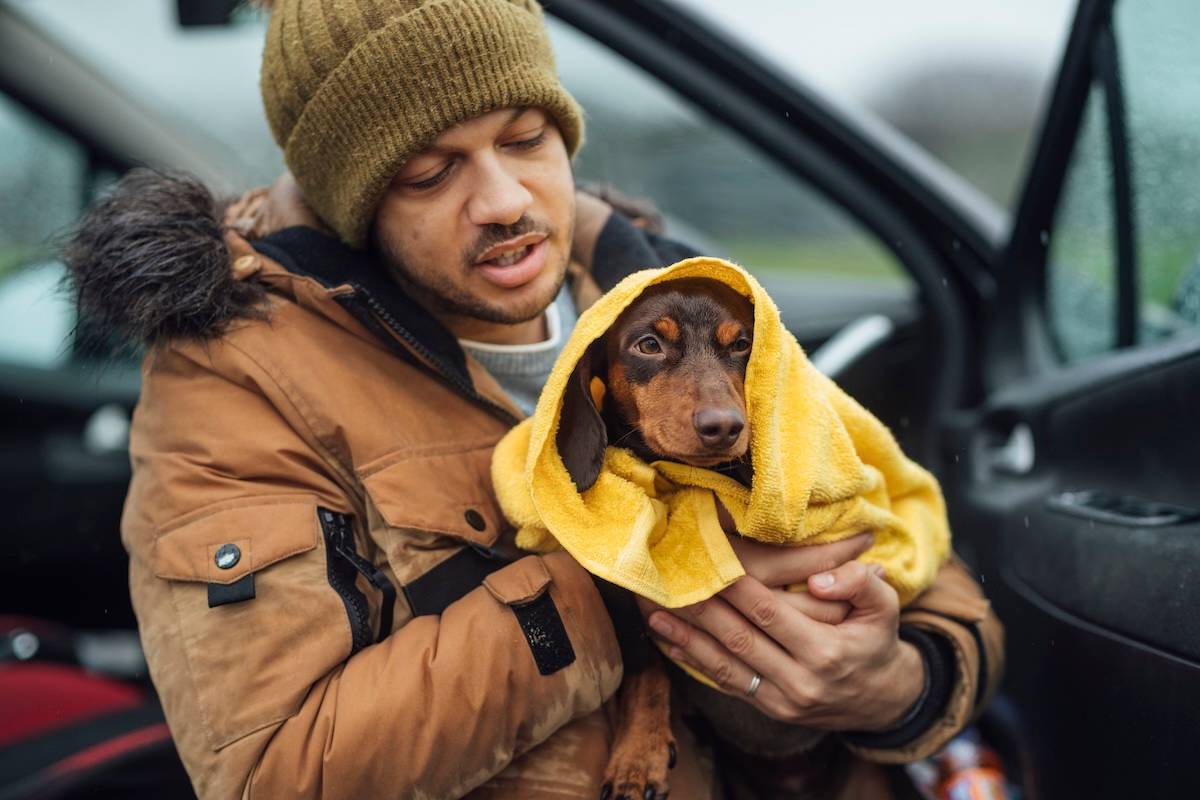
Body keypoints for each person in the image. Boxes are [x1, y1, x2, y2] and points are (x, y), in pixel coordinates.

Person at [64, 1, 1003, 797]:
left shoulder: (655, 288)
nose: (505, 199)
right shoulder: (237, 378)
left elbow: (889, 519)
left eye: (527, 138)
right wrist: (627, 581)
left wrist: (896, 687)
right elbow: (277, 772)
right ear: (354, 201)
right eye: (431, 172)